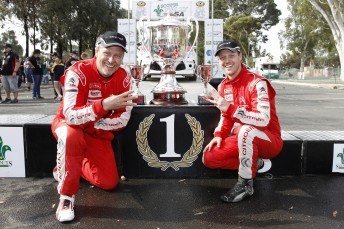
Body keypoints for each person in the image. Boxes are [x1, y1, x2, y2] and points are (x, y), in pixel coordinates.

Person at [51, 31, 137, 222]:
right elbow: (71, 116)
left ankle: (65, 167)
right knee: (72, 135)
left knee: (108, 183)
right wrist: (104, 106)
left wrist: (92, 124)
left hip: (95, 131)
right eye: (107, 53)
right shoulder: (77, 71)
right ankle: (66, 197)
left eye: (118, 55)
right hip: (66, 125)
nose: (111, 60)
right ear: (97, 51)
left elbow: (122, 120)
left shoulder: (125, 79)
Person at [202, 41, 283, 203]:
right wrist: (219, 134)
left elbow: (263, 119)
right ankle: (256, 163)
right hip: (244, 138)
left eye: (231, 55)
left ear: (240, 56)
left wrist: (230, 108)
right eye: (222, 57)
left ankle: (246, 183)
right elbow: (226, 116)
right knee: (209, 158)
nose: (227, 61)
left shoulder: (258, 82)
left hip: (269, 139)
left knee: (245, 130)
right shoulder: (223, 86)